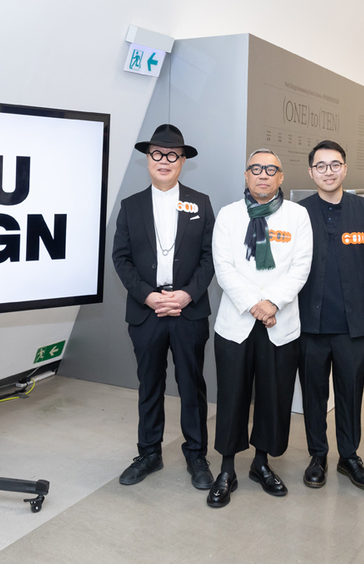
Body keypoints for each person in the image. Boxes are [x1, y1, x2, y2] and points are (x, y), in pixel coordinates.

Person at [207, 148, 313, 508]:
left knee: (274, 395)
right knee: (232, 396)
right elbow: (223, 266)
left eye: (271, 169)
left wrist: (273, 304)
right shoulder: (228, 215)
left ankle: (262, 463)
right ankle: (227, 469)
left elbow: (301, 267)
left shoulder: (297, 216)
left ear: (281, 177)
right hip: (237, 322)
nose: (263, 175)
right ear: (246, 175)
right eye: (256, 168)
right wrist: (255, 304)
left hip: (279, 322)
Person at [112, 124, 216, 490]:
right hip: (147, 311)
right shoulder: (131, 206)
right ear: (148, 159)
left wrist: (187, 294)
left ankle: (197, 455)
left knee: (192, 385)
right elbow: (121, 258)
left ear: (183, 161)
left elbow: (210, 257)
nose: (164, 160)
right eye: (157, 153)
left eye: (173, 155)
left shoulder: (200, 203)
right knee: (149, 385)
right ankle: (149, 453)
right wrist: (147, 295)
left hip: (189, 311)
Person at [296, 140, 364, 490]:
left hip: (352, 325)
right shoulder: (298, 213)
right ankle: (317, 455)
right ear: (311, 172)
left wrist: (355, 292)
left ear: (345, 169)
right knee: (314, 394)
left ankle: (349, 456)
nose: (328, 171)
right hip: (309, 323)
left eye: (335, 164)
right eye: (321, 166)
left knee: (351, 392)